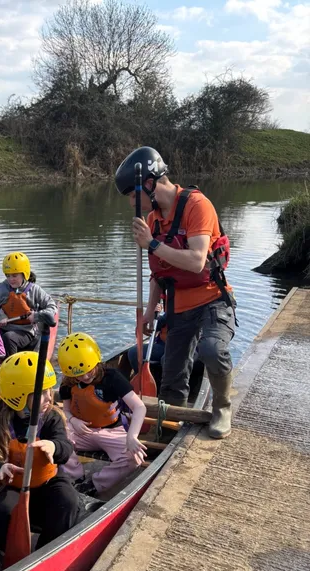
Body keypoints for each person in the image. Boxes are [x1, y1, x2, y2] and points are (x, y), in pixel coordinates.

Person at [115, 146, 236, 438]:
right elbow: (159, 275)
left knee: (211, 349)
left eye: (133, 195)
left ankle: (221, 407)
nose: (133, 202)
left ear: (148, 183)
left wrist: (152, 244)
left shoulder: (197, 205)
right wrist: (147, 312)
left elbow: (196, 262)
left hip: (211, 299)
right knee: (172, 377)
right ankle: (170, 429)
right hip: (178, 305)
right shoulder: (154, 220)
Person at [0, 350, 81, 571]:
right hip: (13, 484)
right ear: (19, 395)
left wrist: (54, 446)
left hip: (47, 480)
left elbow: (64, 446)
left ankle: (47, 548)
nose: (49, 397)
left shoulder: (51, 417)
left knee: (69, 502)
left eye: (49, 390)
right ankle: (2, 550)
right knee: (2, 510)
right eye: (41, 393)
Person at [58, 333, 147, 496]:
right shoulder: (68, 383)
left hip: (112, 431)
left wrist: (132, 436)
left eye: (88, 371)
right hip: (81, 430)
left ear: (96, 361)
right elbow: (66, 409)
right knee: (59, 441)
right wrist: (72, 420)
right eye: (79, 374)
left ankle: (94, 485)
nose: (85, 377)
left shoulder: (112, 377)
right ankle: (75, 478)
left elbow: (139, 407)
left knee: (134, 458)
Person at [0, 252, 57, 355]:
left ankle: (12, 366)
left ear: (24, 274)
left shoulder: (34, 290)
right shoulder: (0, 288)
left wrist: (36, 316)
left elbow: (52, 307)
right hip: (4, 328)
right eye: (8, 275)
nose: (11, 279)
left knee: (9, 337)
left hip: (26, 332)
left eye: (14, 275)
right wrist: (0, 315)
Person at [127, 304, 167, 374]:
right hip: (164, 344)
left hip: (179, 348)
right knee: (134, 352)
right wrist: (154, 318)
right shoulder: (173, 301)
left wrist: (160, 320)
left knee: (166, 360)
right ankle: (141, 377)